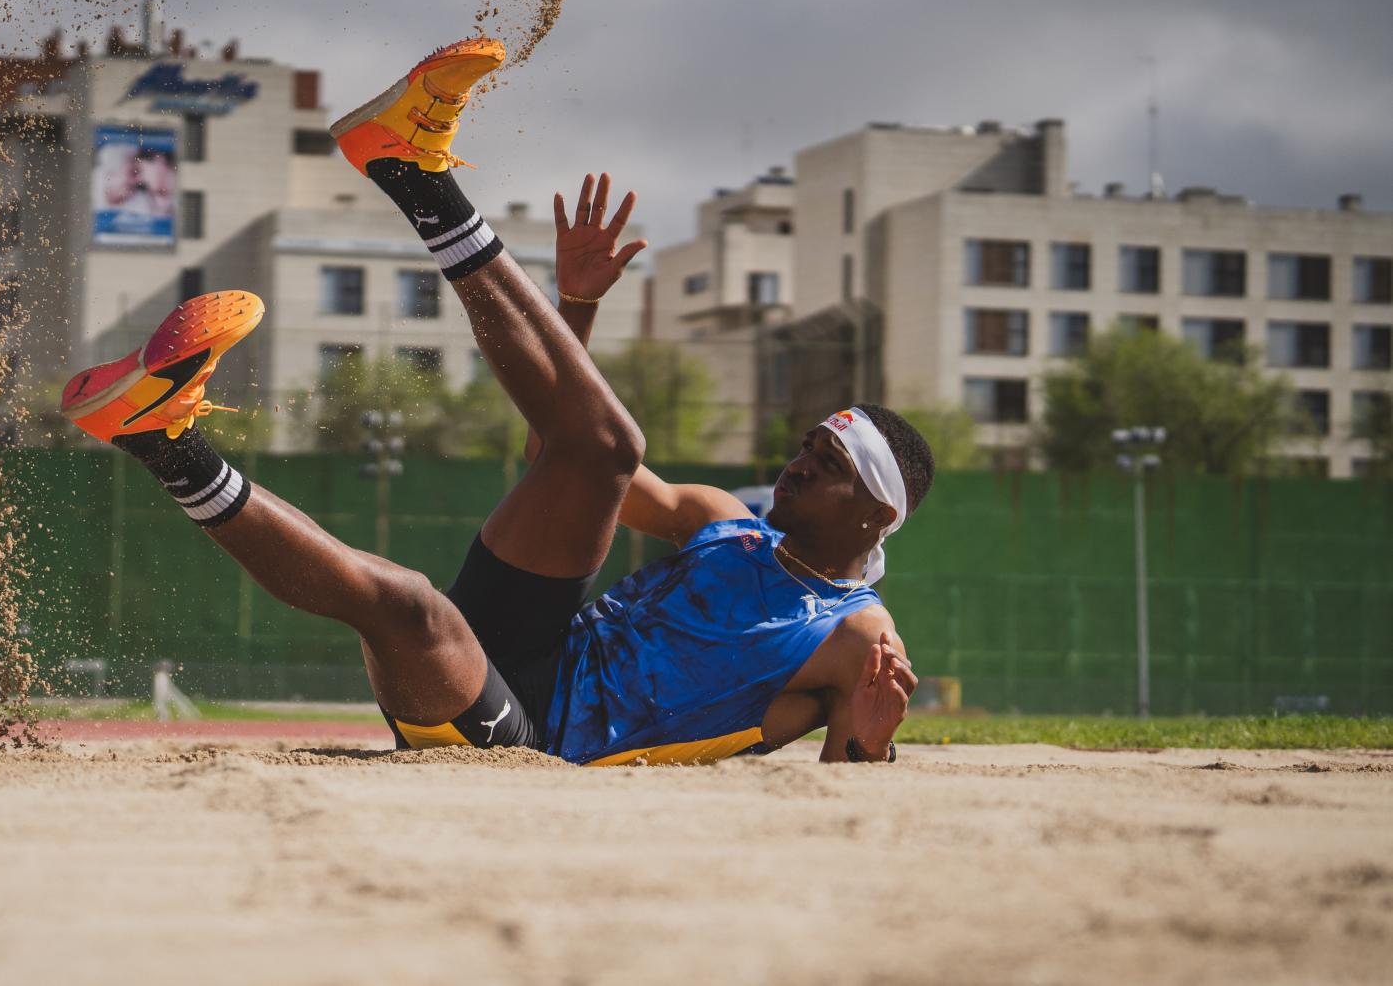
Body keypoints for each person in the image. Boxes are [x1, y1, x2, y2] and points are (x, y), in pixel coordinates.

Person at [60, 37, 932, 765]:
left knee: (409, 606)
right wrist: (577, 305)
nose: (801, 459)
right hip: (536, 645)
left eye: (829, 464)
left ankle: (168, 444)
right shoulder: (726, 522)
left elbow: (846, 779)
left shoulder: (861, 637)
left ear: (880, 508)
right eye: (810, 443)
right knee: (605, 451)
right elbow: (563, 457)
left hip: (540, 738)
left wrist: (877, 739)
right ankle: (406, 172)